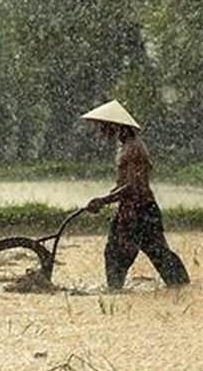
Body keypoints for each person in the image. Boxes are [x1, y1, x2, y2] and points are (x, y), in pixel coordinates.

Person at [81, 99, 190, 289]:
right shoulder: (126, 146)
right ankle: (181, 287)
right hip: (136, 210)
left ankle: (114, 293)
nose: (100, 131)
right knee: (158, 253)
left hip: (139, 212)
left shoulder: (134, 149)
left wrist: (104, 200)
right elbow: (124, 185)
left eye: (103, 126)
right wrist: (106, 198)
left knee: (119, 253)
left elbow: (133, 187)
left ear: (115, 126)